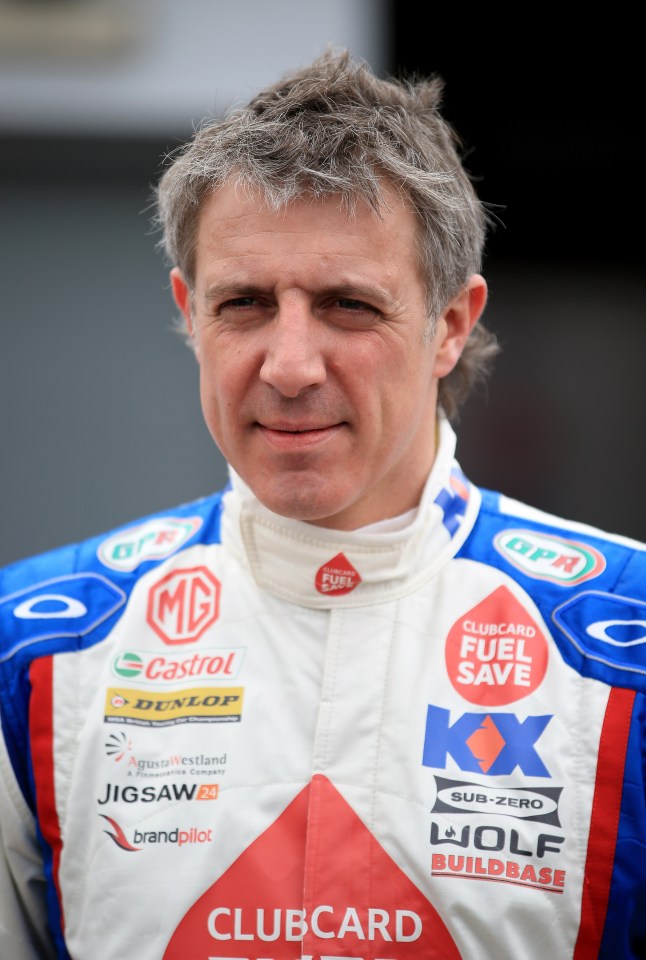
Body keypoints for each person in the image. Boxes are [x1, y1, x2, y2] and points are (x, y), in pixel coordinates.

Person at [0, 47, 644, 960]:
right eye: (245, 303)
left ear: (450, 325)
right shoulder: (31, 647)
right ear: (189, 312)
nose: (291, 365)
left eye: (347, 305)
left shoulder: (627, 632)